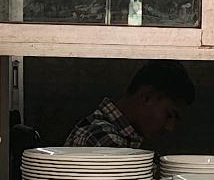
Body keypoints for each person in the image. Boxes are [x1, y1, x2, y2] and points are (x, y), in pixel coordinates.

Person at [67, 61, 196, 148]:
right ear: (148, 97)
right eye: (169, 115)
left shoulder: (118, 135)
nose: (170, 127)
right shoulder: (102, 136)